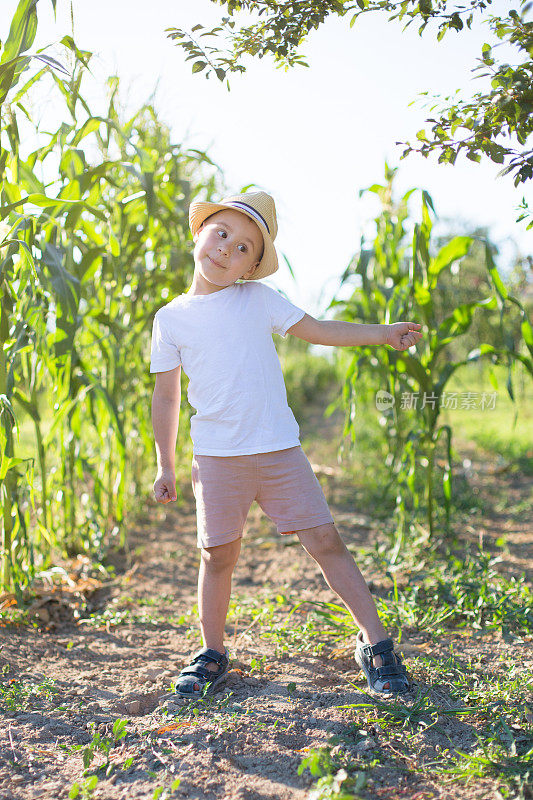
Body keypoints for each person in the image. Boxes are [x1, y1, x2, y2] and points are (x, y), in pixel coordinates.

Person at [150, 190, 422, 700]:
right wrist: (166, 465)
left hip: (278, 453)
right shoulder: (171, 318)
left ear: (252, 268)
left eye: (245, 248)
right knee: (217, 557)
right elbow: (166, 398)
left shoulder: (258, 302)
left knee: (325, 542)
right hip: (216, 459)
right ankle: (211, 651)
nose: (228, 250)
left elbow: (319, 330)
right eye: (223, 233)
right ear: (201, 233)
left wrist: (382, 334)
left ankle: (376, 642)